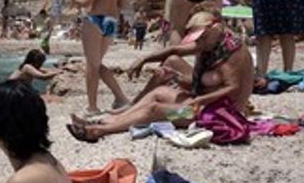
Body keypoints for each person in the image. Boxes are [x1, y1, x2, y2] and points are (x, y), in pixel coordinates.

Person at [67, 12, 253, 142]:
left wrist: (200, 100)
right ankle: (113, 118)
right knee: (160, 92)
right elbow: (175, 50)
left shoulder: (233, 50)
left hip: (213, 114)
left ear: (216, 28)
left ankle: (99, 130)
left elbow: (233, 87)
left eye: (202, 38)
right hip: (201, 104)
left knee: (155, 110)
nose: (199, 43)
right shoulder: (211, 42)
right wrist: (144, 59)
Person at [75, 0, 131, 115]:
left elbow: (86, 1)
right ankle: (121, 98)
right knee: (97, 63)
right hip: (112, 20)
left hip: (95, 19)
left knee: (92, 66)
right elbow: (125, 3)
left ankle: (92, 107)